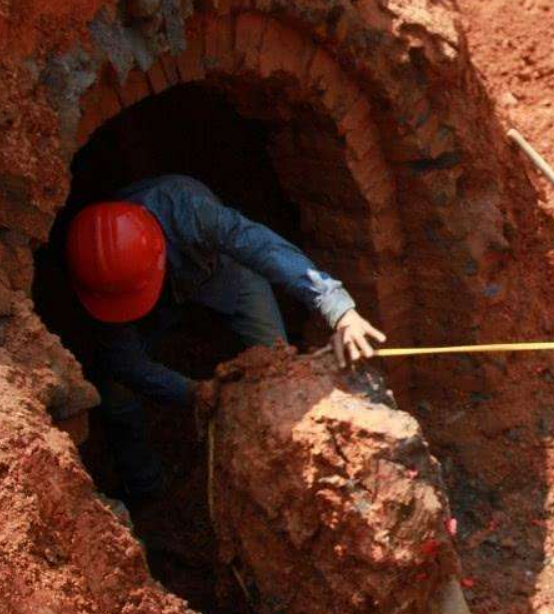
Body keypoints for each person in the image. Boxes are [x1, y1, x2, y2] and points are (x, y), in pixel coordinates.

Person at [65, 174, 386, 499]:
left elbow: (263, 246)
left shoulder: (191, 213)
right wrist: (193, 392)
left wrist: (339, 308)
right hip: (147, 307)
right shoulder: (101, 272)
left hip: (218, 273)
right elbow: (126, 362)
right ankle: (145, 490)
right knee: (116, 395)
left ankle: (283, 477)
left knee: (277, 365)